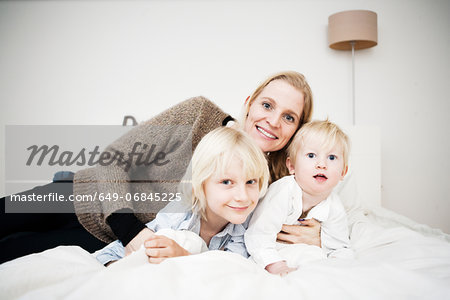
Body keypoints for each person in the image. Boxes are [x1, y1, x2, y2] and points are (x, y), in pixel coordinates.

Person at [0, 71, 319, 263]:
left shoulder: (272, 184)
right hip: (78, 196)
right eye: (267, 105)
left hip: (105, 242)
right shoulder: (200, 114)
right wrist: (131, 231)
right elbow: (114, 158)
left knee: (12, 254)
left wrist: (318, 237)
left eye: (289, 117)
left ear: (296, 129)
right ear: (250, 102)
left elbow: (276, 231)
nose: (273, 121)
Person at [96, 126, 269, 266]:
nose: (242, 196)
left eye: (251, 181)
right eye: (226, 182)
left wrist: (186, 258)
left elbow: (231, 270)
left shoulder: (246, 223)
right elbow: (107, 256)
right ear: (199, 185)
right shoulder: (178, 216)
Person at [245, 120, 354, 276]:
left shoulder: (334, 205)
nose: (321, 164)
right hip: (271, 255)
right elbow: (258, 235)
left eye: (331, 158)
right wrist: (277, 266)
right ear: (292, 166)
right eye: (311, 155)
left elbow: (339, 247)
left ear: (343, 172)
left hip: (308, 258)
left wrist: (341, 266)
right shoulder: (283, 192)